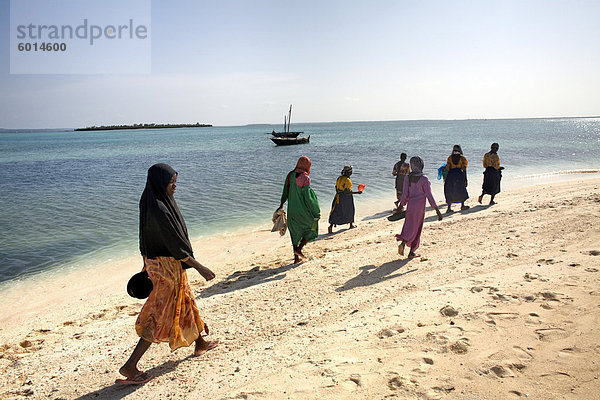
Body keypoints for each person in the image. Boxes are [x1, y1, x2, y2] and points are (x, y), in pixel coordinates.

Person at [119, 164, 218, 385]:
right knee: (160, 314)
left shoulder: (151, 201)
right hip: (166, 267)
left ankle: (200, 343)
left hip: (158, 264)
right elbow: (175, 245)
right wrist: (200, 267)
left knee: (186, 301)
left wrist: (146, 264)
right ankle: (130, 366)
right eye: (171, 182)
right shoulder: (159, 209)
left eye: (176, 182)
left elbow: (146, 239)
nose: (174, 187)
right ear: (159, 182)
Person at [395, 156, 443, 258]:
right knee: (417, 228)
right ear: (421, 165)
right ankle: (411, 251)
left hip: (410, 206)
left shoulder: (407, 177)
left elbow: (404, 194)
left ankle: (404, 242)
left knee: (408, 226)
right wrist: (437, 210)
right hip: (420, 207)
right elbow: (429, 195)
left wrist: (400, 206)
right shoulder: (424, 179)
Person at [277, 156, 321, 264]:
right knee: (313, 226)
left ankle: (296, 258)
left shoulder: (290, 175)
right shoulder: (305, 178)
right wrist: (316, 211)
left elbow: (285, 191)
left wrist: (281, 204)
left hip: (292, 210)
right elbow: (309, 197)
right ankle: (299, 249)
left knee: (295, 231)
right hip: (303, 210)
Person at [328, 165, 363, 234]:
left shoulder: (339, 178)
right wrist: (357, 192)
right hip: (346, 198)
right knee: (349, 210)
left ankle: (331, 226)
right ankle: (351, 225)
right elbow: (347, 192)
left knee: (336, 211)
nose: (352, 172)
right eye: (351, 171)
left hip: (338, 197)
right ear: (349, 172)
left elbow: (336, 187)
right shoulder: (347, 180)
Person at [444, 145, 469, 213]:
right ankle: (462, 205)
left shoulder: (450, 158)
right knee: (461, 189)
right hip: (459, 174)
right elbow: (464, 169)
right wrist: (465, 179)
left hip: (451, 175)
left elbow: (448, 168)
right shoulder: (462, 158)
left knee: (449, 190)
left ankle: (449, 207)